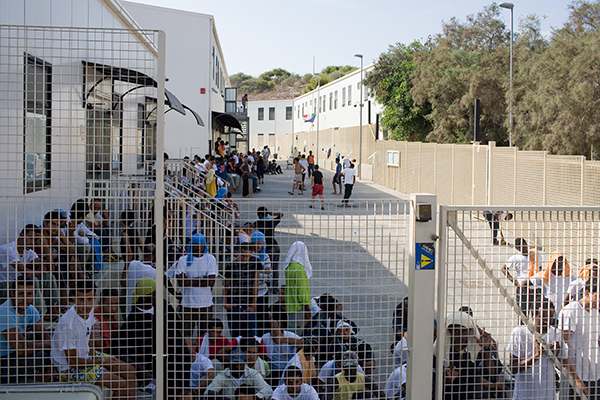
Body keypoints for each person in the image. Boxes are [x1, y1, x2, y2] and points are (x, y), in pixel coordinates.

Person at [51, 278, 137, 398]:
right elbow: (73, 362)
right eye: (81, 300)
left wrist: (95, 356)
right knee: (120, 384)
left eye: (90, 299)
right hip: (67, 369)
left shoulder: (89, 311)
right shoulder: (68, 326)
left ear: (95, 297)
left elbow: (90, 334)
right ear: (73, 299)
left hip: (86, 357)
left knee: (130, 371)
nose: (86, 304)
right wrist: (100, 362)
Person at [507, 298, 565, 400]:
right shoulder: (519, 333)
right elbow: (513, 368)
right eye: (544, 317)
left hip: (547, 396)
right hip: (524, 396)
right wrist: (536, 356)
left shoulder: (556, 334)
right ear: (533, 314)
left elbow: (564, 366)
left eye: (550, 317)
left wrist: (556, 355)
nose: (547, 321)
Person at [0, 275, 51, 384]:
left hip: (18, 352)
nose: (25, 299)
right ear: (13, 293)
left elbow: (45, 336)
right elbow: (22, 349)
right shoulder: (5, 313)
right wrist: (48, 344)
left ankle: (47, 369)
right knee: (40, 355)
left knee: (55, 334)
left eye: (29, 294)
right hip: (4, 360)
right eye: (21, 294)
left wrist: (49, 344)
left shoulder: (31, 310)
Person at [166, 233, 217, 338]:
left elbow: (211, 282)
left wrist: (189, 281)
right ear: (191, 245)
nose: (198, 248)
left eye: (201, 245)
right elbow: (181, 283)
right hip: (187, 304)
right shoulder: (183, 260)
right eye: (195, 245)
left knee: (204, 337)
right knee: (185, 335)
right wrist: (201, 278)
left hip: (205, 304)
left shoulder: (210, 258)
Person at [558, 278, 600, 398]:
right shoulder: (571, 311)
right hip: (577, 377)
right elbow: (562, 348)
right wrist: (576, 380)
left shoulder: (595, 313)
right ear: (587, 293)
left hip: (594, 376)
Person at [204, 349, 273, 399]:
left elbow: (268, 390)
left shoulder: (253, 374)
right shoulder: (223, 375)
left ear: (244, 364)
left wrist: (254, 398)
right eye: (234, 364)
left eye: (239, 364)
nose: (237, 366)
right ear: (229, 365)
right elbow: (208, 392)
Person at [223, 243, 259, 338]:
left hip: (248, 304)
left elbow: (255, 284)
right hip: (234, 304)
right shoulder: (231, 266)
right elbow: (226, 286)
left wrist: (253, 305)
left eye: (247, 256)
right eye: (243, 255)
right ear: (239, 253)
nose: (245, 259)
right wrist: (225, 303)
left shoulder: (254, 264)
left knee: (252, 334)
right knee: (235, 336)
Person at [501, 238, 541, 316]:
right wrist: (514, 281)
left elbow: (540, 268)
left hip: (536, 286)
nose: (525, 248)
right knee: (523, 313)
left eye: (525, 245)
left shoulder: (535, 254)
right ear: (517, 248)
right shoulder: (515, 258)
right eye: (522, 247)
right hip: (523, 288)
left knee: (537, 312)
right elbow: (504, 269)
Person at [281, 241, 312, 335]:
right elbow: (301, 291)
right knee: (297, 333)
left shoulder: (289, 267)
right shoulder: (299, 269)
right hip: (298, 306)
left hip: (290, 304)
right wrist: (307, 308)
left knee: (291, 330)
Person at [261, 320, 303, 385]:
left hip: (288, 368)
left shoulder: (289, 335)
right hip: (273, 369)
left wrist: (285, 340)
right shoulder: (266, 337)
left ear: (282, 331)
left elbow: (303, 342)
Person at [254, 207, 283, 292]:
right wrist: (272, 213)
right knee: (275, 267)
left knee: (266, 267)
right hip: (275, 246)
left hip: (268, 248)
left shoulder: (259, 222)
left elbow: (250, 226)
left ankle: (266, 283)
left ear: (259, 215)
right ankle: (275, 287)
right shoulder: (271, 222)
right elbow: (281, 215)